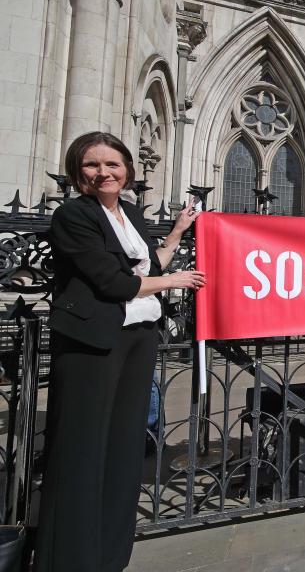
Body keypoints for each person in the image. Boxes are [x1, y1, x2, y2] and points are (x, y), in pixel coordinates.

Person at [35, 132, 206, 571]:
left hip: (137, 337)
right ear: (78, 173)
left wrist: (179, 231)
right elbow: (113, 283)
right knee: (82, 449)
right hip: (93, 343)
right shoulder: (74, 216)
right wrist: (174, 282)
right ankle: (71, 558)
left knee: (124, 446)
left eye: (112, 164)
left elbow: (149, 263)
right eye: (92, 165)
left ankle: (110, 554)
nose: (103, 173)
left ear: (127, 169)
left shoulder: (128, 213)